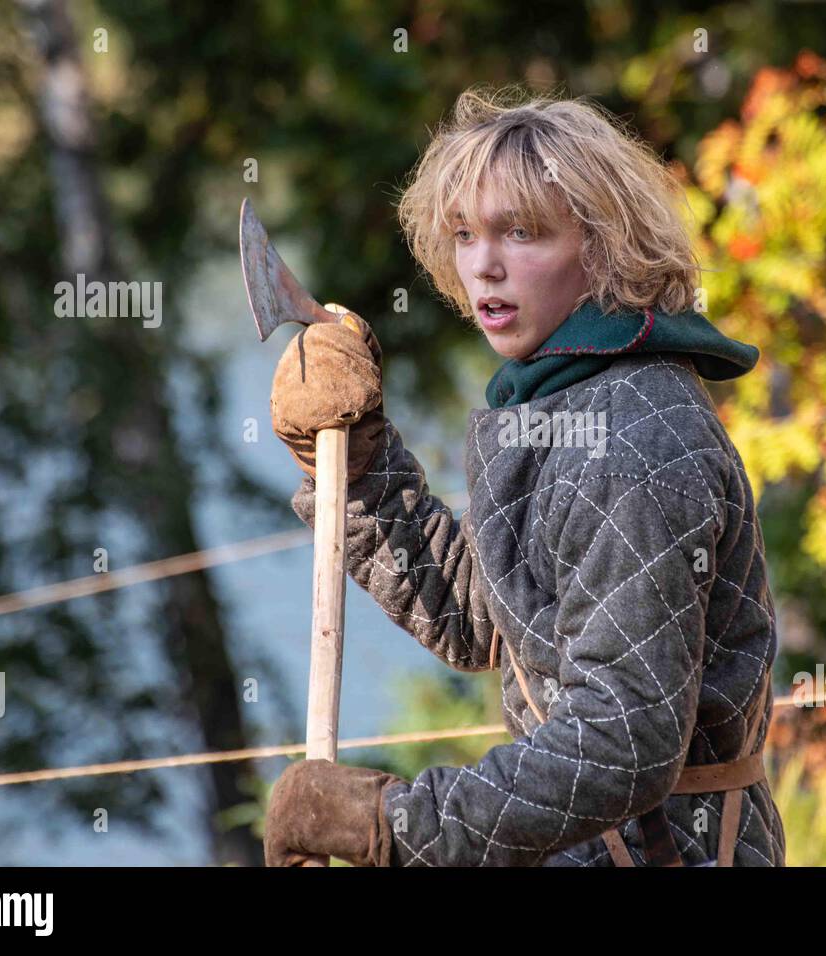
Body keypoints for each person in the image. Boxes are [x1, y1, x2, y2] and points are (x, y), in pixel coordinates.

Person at [263, 85, 786, 867]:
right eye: (466, 234)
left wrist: (396, 825)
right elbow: (484, 618)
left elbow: (622, 739)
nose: (484, 265)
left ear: (605, 247)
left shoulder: (631, 437)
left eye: (522, 233)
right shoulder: (559, 402)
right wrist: (361, 467)